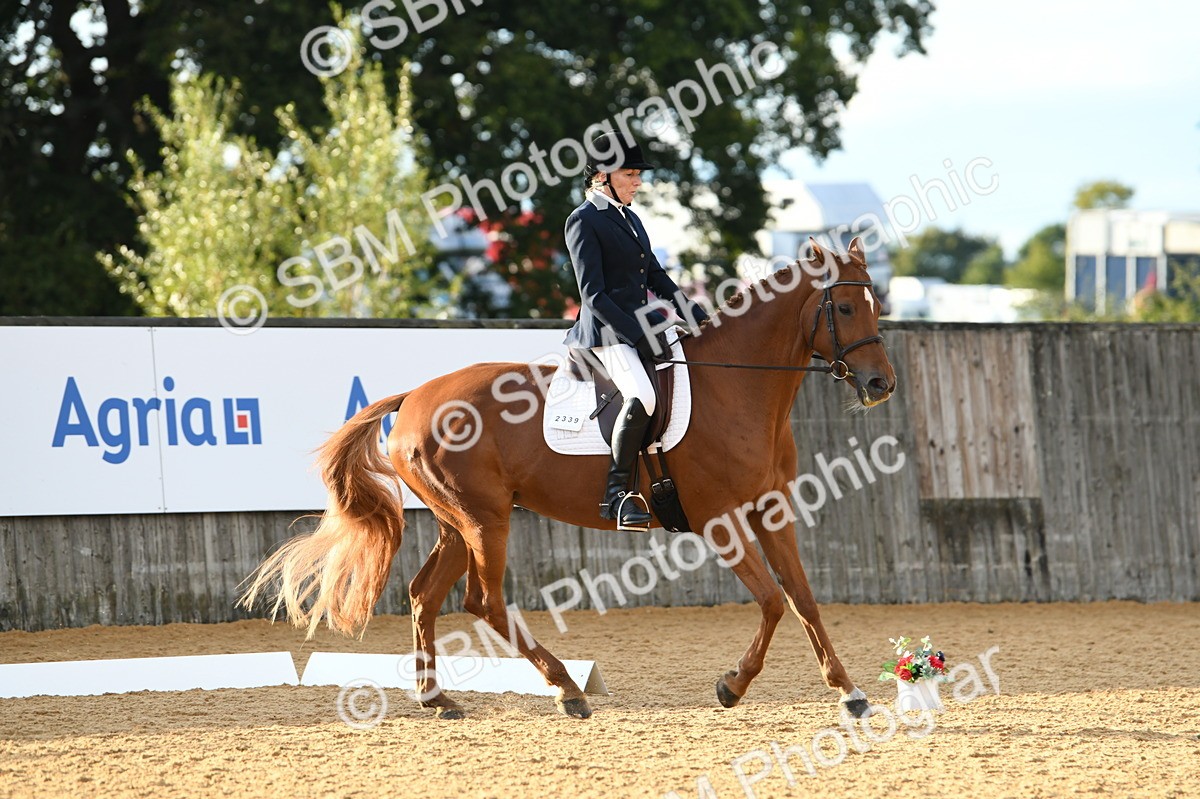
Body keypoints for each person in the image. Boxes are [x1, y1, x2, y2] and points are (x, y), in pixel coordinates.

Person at [562, 131, 710, 528]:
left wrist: (691, 311)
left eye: (636, 174)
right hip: (605, 334)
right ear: (602, 176)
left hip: (640, 328)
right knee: (643, 395)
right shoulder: (582, 221)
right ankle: (617, 494)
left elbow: (656, 277)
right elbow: (593, 295)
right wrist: (637, 334)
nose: (638, 181)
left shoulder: (631, 218)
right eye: (630, 174)